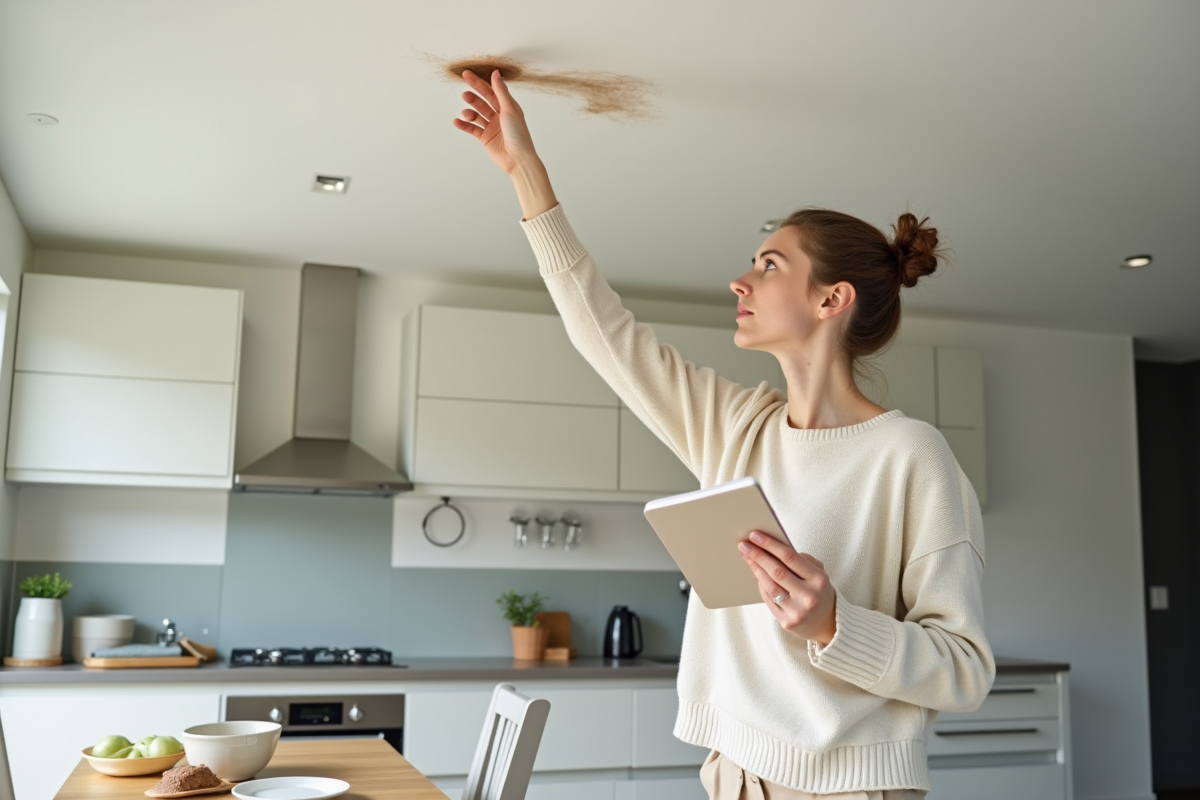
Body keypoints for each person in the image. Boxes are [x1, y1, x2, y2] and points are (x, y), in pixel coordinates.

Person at [452, 69, 994, 800]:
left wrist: (835, 623)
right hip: (733, 776)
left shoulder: (911, 457)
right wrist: (526, 172)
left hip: (850, 789)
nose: (740, 282)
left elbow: (963, 668)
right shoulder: (738, 427)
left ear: (831, 299)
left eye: (769, 265)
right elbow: (601, 332)